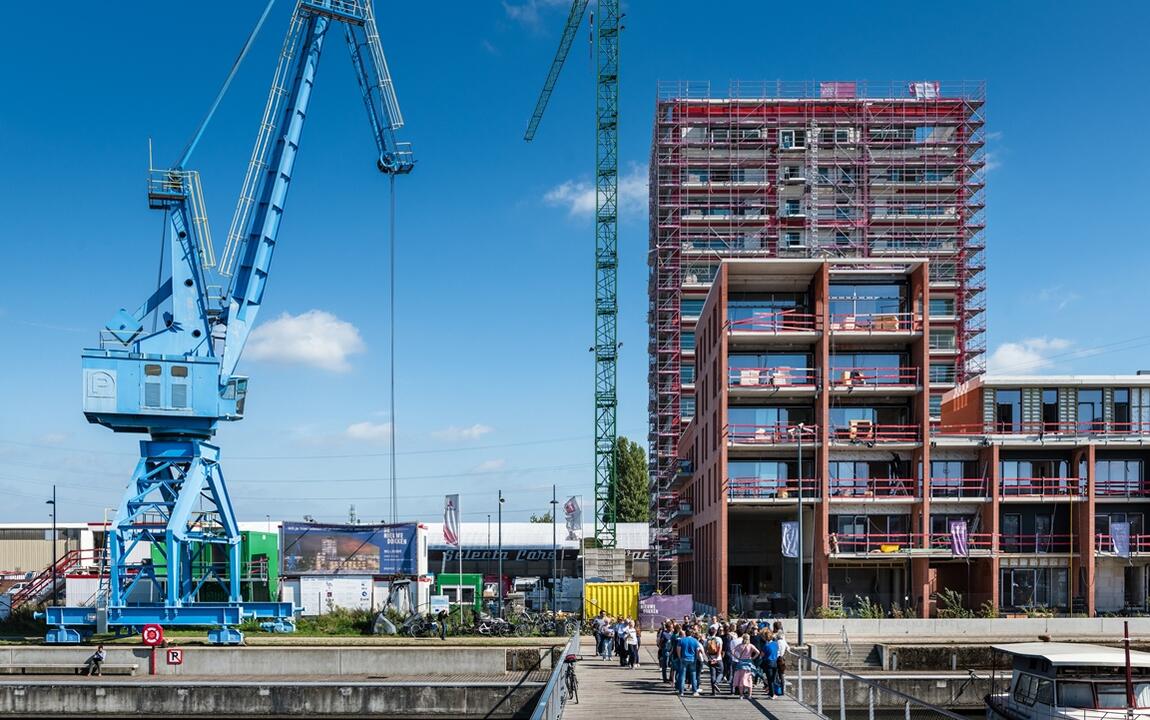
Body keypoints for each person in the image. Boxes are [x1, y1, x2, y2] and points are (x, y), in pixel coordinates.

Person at [731, 633, 760, 700]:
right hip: (748, 664)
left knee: (741, 679)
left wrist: (737, 658)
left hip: (740, 663)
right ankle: (749, 695)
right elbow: (758, 652)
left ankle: (741, 695)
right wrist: (752, 658)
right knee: (749, 679)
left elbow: (732, 651)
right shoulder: (750, 646)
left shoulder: (740, 646)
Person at [675, 628, 702, 696]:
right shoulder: (695, 640)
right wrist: (696, 658)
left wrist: (679, 657)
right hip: (692, 659)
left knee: (682, 675)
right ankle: (694, 691)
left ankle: (681, 692)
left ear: (685, 633)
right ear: (691, 633)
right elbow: (697, 650)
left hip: (684, 658)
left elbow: (678, 649)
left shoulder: (681, 640)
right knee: (693, 675)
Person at [703, 630, 723, 696]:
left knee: (712, 675)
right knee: (721, 672)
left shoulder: (706, 640)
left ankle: (713, 692)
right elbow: (719, 650)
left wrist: (710, 658)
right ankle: (716, 683)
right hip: (718, 659)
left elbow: (705, 651)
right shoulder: (718, 639)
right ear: (715, 632)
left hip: (710, 659)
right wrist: (716, 658)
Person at [762, 631, 780, 699]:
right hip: (775, 663)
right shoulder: (776, 644)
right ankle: (772, 692)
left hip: (768, 663)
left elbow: (762, 655)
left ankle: (772, 694)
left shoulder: (766, 645)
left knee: (770, 680)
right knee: (773, 679)